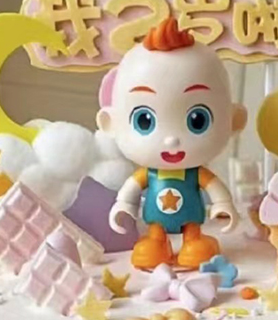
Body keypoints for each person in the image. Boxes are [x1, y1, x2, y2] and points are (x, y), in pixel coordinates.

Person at [97, 18, 247, 270]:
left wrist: (223, 205)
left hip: (191, 219)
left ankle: (193, 241)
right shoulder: (147, 174)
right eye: (144, 121)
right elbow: (131, 190)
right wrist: (123, 205)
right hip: (156, 220)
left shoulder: (197, 174)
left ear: (233, 120)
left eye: (197, 120)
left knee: (194, 238)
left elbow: (215, 188)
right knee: (154, 236)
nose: (171, 139)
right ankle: (157, 243)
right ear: (110, 123)